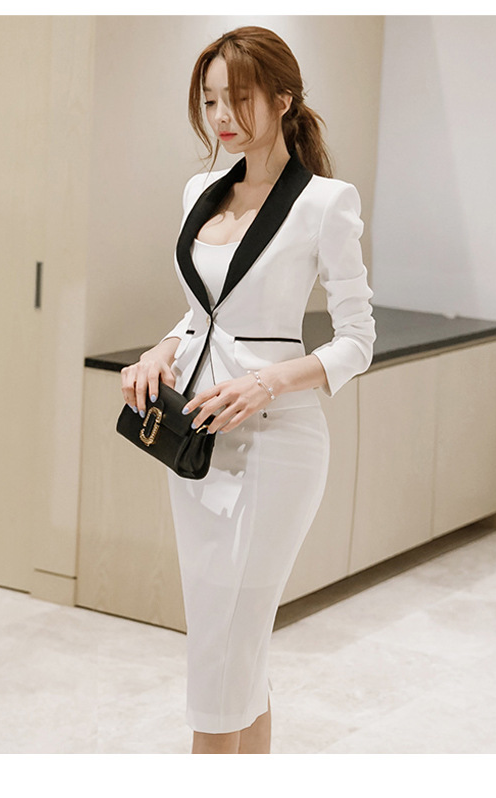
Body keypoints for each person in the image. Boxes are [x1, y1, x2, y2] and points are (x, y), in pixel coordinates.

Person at [120, 26, 376, 754]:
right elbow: (203, 313)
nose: (220, 115)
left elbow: (358, 339)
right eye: (209, 100)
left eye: (237, 98)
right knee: (232, 639)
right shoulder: (199, 192)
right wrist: (160, 351)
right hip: (196, 441)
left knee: (224, 643)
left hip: (277, 447)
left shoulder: (325, 202)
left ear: (283, 99)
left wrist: (267, 382)